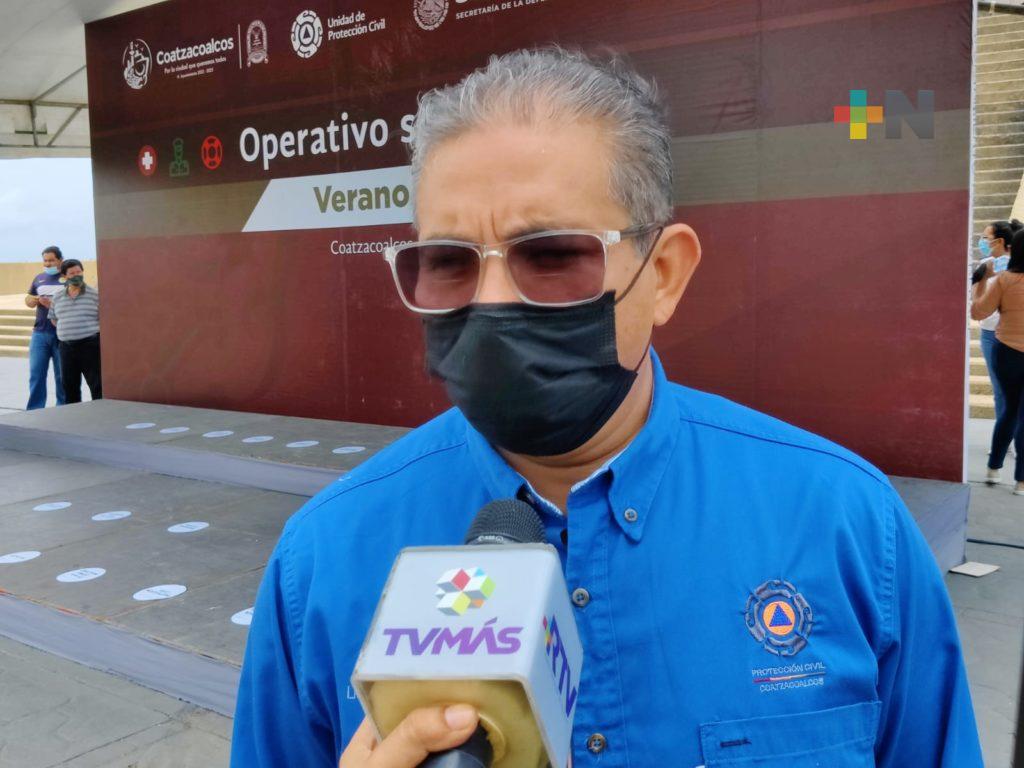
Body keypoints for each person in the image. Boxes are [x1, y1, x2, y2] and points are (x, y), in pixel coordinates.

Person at [233, 48, 982, 767]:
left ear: (664, 274)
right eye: (450, 262)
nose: (491, 303)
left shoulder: (846, 526)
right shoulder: (323, 563)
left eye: (552, 255)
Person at [972, 227, 1024, 494]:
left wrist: (981, 281)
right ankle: (1021, 481)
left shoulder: (1004, 280)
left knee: (1009, 410)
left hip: (1007, 353)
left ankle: (993, 468)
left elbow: (979, 312)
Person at [976, 220, 1023, 435]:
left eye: (986, 238)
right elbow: (977, 302)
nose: (983, 242)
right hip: (989, 334)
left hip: (1013, 334)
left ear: (1001, 241)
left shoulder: (1017, 267)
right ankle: (1006, 437)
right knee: (1000, 391)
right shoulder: (985, 265)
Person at [49, 259, 102, 404]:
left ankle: (101, 412)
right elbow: (53, 319)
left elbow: (102, 318)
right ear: (64, 276)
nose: (76, 275)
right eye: (72, 273)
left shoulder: (95, 295)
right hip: (66, 348)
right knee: (69, 386)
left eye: (79, 272)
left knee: (97, 384)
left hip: (90, 346)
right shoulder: (57, 296)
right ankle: (74, 415)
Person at [24, 245, 65, 409]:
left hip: (62, 334)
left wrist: (52, 305)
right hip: (39, 334)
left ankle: (63, 408)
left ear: (60, 260)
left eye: (51, 260)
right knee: (36, 374)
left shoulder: (68, 278)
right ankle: (35, 409)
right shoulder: (39, 278)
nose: (47, 264)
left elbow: (74, 304)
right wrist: (31, 300)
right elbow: (29, 299)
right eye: (45, 261)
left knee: (62, 376)